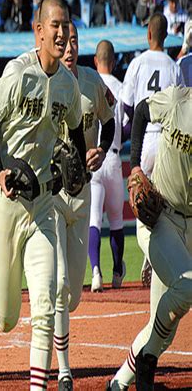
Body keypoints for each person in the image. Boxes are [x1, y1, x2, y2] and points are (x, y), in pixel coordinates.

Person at [0, 0, 85, 390]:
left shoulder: (68, 84)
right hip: (7, 203)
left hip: (42, 203)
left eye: (66, 25)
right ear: (38, 30)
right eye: (54, 25)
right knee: (6, 318)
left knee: (44, 304)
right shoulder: (17, 73)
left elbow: (74, 131)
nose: (61, 33)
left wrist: (76, 166)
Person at [106, 85, 192, 391]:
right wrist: (137, 164)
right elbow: (141, 111)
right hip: (161, 218)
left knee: (164, 329)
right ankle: (147, 361)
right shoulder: (179, 98)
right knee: (188, 286)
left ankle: (117, 385)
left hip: (190, 228)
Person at [53, 21, 115, 389]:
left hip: (83, 190)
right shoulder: (47, 83)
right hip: (54, 194)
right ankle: (63, 369)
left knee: (74, 293)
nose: (70, 47)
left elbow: (110, 122)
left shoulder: (93, 82)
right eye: (65, 42)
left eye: (75, 41)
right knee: (60, 282)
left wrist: (102, 151)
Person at [121, 13, 184, 287]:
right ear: (166, 36)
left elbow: (126, 108)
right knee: (165, 206)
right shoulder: (173, 66)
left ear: (148, 35)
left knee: (140, 200)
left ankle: (148, 250)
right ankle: (163, 255)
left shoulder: (136, 63)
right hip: (166, 140)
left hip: (143, 136)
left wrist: (126, 134)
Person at [88, 40, 126, 292]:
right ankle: (115, 271)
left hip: (93, 158)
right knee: (116, 220)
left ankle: (95, 272)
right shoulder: (120, 87)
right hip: (111, 157)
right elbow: (123, 125)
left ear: (95, 60)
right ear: (113, 62)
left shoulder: (90, 84)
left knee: (93, 219)